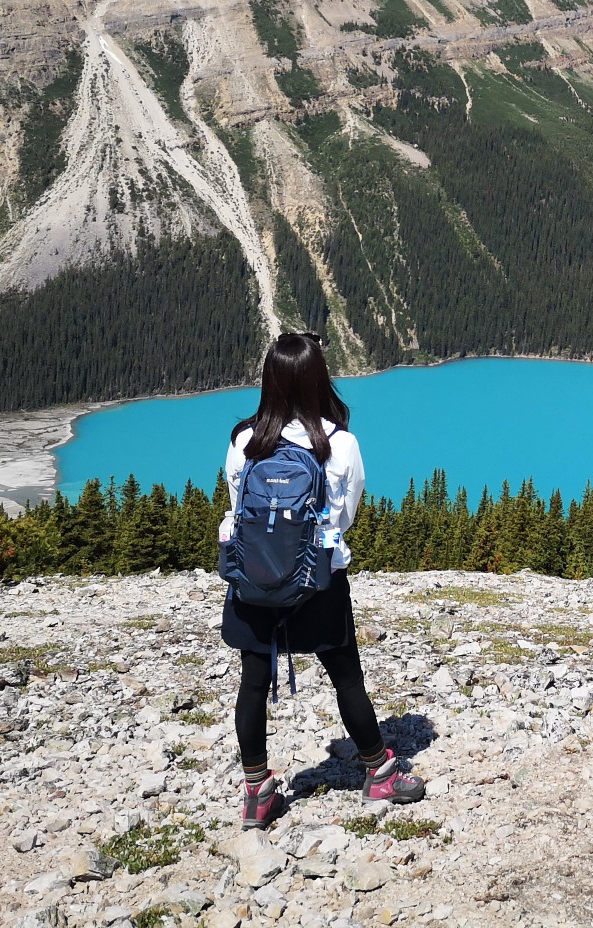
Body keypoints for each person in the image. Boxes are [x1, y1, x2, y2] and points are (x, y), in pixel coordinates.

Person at [219, 331, 426, 827]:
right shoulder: (340, 443)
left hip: (255, 583)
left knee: (252, 685)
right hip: (318, 582)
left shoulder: (243, 441)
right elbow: (346, 515)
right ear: (318, 380)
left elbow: (235, 507)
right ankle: (378, 772)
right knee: (346, 678)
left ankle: (257, 793)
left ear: (269, 380)